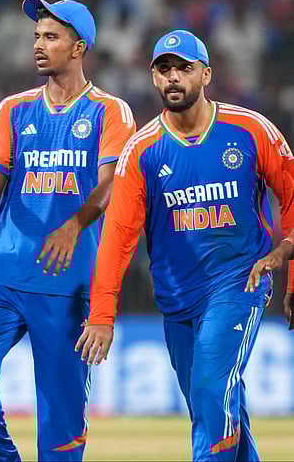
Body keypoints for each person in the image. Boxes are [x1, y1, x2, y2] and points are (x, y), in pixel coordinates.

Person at [77, 30, 294, 461]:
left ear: (206, 74)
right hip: (177, 298)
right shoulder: (142, 150)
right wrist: (102, 314)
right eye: (164, 69)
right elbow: (118, 236)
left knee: (211, 388)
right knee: (211, 404)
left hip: (240, 281)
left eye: (183, 68)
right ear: (154, 78)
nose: (173, 77)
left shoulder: (249, 129)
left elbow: (291, 196)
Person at [0, 0, 135, 461]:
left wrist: (74, 224)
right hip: (3, 272)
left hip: (68, 282)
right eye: (36, 36)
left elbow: (112, 186)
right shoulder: (14, 108)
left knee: (61, 412)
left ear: (78, 46)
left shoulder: (110, 111)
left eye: (50, 37)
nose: (38, 45)